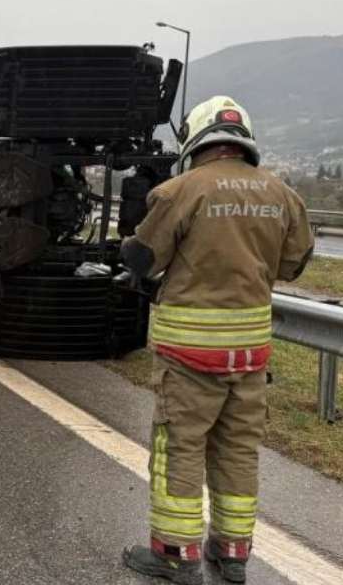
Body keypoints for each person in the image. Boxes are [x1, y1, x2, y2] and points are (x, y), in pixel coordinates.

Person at [120, 97, 313, 584]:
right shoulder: (282, 194)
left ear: (196, 138)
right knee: (238, 449)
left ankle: (174, 554)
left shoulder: (181, 190)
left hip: (189, 356)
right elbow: (293, 264)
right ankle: (232, 552)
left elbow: (143, 259)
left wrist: (131, 235)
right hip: (249, 355)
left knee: (179, 447)